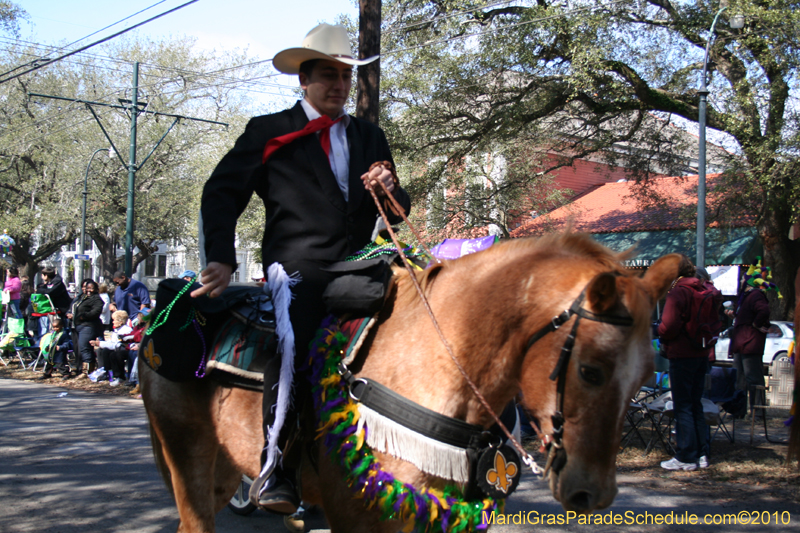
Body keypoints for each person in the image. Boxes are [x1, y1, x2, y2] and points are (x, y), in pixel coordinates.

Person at [191, 23, 411, 514]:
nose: (339, 85)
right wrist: (221, 258)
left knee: (415, 305)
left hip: (359, 260)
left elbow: (398, 214)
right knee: (294, 340)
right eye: (328, 76)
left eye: (345, 77)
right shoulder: (268, 131)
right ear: (304, 81)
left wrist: (388, 185)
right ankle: (274, 472)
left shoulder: (369, 135)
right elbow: (221, 193)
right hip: (295, 266)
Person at [657, 255, 710, 471]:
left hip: (681, 353)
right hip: (701, 353)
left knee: (683, 406)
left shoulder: (678, 291)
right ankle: (702, 453)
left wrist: (656, 331)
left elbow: (668, 326)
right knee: (696, 404)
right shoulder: (702, 288)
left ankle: (686, 456)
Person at [729, 276, 771, 418]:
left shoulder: (756, 295)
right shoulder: (745, 297)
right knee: (739, 379)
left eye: (742, 279)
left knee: (753, 378)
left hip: (750, 343)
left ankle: (758, 412)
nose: (740, 281)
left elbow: (763, 310)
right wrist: (733, 315)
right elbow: (745, 316)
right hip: (740, 343)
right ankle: (738, 411)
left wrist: (756, 324)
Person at [66, 279, 104, 379]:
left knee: (85, 347)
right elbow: (73, 307)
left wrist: (82, 316)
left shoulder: (96, 299)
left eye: (91, 288)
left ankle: (87, 370)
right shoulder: (81, 297)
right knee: (79, 348)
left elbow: (96, 312)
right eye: (87, 288)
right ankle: (80, 368)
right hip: (76, 326)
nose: (89, 290)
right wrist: (70, 314)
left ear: (96, 289)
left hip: (88, 326)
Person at [89, 310, 133, 385]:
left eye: (114, 320)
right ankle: (107, 372)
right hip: (118, 348)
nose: (112, 322)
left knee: (115, 354)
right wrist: (100, 344)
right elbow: (111, 343)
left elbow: (117, 345)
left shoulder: (126, 330)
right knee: (103, 350)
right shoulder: (116, 330)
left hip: (126, 349)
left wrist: (100, 343)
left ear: (120, 321)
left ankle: (119, 376)